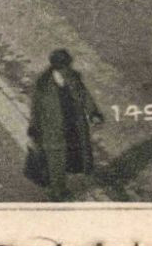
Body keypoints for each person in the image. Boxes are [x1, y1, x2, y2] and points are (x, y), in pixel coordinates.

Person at [26, 49, 104, 200]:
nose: (68, 69)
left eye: (68, 65)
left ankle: (65, 183)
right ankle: (57, 191)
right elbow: (35, 108)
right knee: (56, 159)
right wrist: (34, 127)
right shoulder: (43, 84)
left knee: (74, 154)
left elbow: (84, 95)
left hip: (73, 123)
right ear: (57, 67)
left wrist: (93, 113)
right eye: (65, 66)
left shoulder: (73, 78)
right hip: (53, 127)